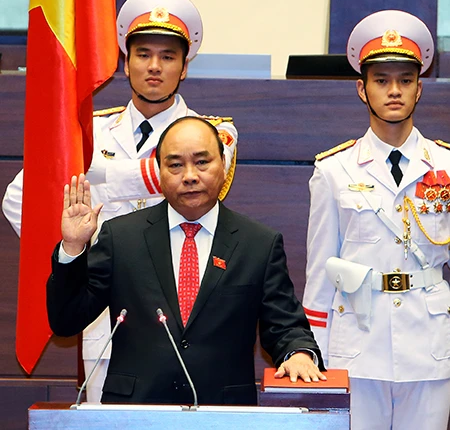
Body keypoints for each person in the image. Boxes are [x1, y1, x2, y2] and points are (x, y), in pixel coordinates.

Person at [2, 0, 238, 402]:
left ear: (184, 67)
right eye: (142, 54)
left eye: (168, 57)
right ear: (125, 63)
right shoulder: (87, 129)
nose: (154, 66)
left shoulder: (214, 134)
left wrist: (92, 172)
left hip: (183, 313)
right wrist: (87, 254)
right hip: (108, 317)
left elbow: (172, 180)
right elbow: (20, 197)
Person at [47, 116, 325, 405]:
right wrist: (73, 247)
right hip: (135, 411)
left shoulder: (258, 243)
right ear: (159, 171)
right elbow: (66, 321)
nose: (190, 176)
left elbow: (285, 324)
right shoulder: (121, 237)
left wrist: (298, 354)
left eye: (202, 162)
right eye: (175, 165)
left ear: (223, 164)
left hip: (223, 413)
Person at [302, 10, 450, 430]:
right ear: (361, 89)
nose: (394, 90)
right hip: (357, 345)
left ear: (420, 88)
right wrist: (316, 354)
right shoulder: (334, 170)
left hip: (430, 345)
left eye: (405, 80)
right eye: (381, 80)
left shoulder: (445, 165)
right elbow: (319, 274)